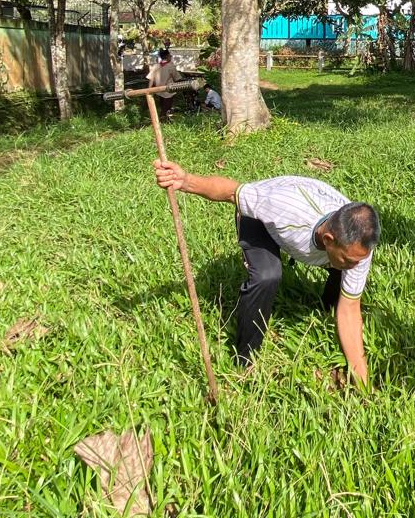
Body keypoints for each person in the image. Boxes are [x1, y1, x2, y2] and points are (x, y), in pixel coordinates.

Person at [153, 162, 380, 384]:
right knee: (267, 275)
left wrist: (361, 379)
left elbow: (351, 309)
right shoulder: (278, 207)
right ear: (329, 240)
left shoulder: (359, 247)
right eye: (350, 259)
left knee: (343, 273)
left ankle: (326, 310)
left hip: (312, 230)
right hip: (261, 221)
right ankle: (245, 359)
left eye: (358, 260)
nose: (356, 265)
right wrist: (185, 181)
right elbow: (231, 192)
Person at [147, 47, 180, 122]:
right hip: (169, 91)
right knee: (166, 108)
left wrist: (149, 90)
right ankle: (161, 121)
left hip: (159, 91)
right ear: (167, 56)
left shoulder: (156, 66)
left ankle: (163, 120)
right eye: (170, 56)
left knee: (163, 107)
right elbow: (177, 78)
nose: (171, 57)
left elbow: (151, 79)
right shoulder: (170, 66)